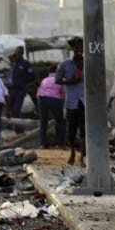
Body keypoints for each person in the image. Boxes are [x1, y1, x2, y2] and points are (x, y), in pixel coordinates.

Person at [56, 37, 85, 166]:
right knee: (71, 131)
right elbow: (57, 80)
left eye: (81, 48)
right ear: (72, 49)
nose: (79, 50)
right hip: (71, 102)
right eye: (76, 48)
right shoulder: (65, 64)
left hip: (84, 101)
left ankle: (82, 157)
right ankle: (72, 153)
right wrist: (69, 82)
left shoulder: (88, 63)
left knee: (84, 130)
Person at [37, 64, 66, 149]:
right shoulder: (62, 80)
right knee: (60, 122)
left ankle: (43, 144)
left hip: (42, 98)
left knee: (43, 122)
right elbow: (64, 93)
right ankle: (61, 144)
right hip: (55, 99)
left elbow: (39, 91)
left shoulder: (44, 80)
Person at [9, 46, 36, 134]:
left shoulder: (25, 63)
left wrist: (25, 83)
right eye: (16, 52)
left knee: (17, 109)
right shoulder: (14, 63)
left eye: (19, 53)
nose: (16, 54)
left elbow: (32, 76)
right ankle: (15, 128)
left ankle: (19, 130)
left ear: (21, 53)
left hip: (20, 89)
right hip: (12, 89)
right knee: (11, 109)